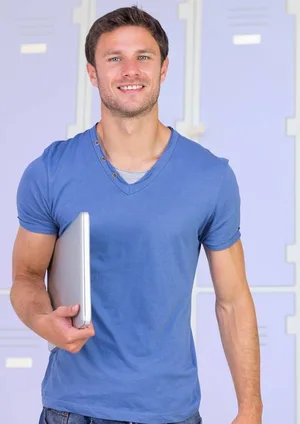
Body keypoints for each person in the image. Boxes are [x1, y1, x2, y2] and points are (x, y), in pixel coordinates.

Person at [9, 6, 262, 424]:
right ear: (93, 73)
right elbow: (26, 278)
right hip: (73, 411)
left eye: (143, 56)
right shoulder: (50, 171)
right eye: (115, 58)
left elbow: (233, 301)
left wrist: (250, 408)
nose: (130, 70)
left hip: (171, 413)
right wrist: (42, 320)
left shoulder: (210, 176)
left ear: (163, 69)